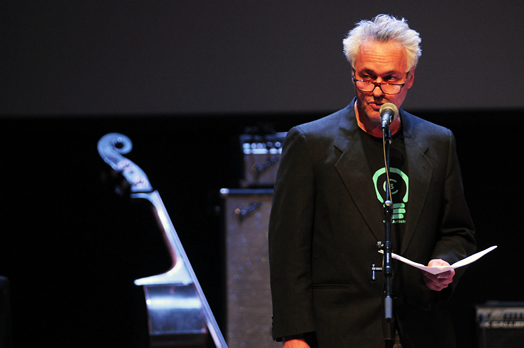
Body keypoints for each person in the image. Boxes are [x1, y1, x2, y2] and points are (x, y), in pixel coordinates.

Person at [268, 14, 476, 348]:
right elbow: (288, 251)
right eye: (367, 77)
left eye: (390, 79)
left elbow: (457, 231)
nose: (377, 92)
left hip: (422, 330)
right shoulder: (310, 143)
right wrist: (294, 336)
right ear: (353, 74)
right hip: (339, 332)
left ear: (409, 78)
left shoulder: (438, 142)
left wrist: (445, 263)